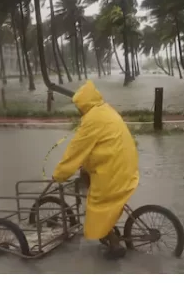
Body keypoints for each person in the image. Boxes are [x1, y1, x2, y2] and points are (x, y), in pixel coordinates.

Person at [52, 80, 139, 259]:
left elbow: (75, 151)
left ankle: (114, 244)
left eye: (78, 106)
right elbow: (99, 145)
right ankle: (110, 226)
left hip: (114, 171)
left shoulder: (92, 120)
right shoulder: (106, 110)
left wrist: (59, 175)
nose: (78, 110)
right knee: (88, 178)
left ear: (84, 104)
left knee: (96, 206)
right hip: (126, 165)